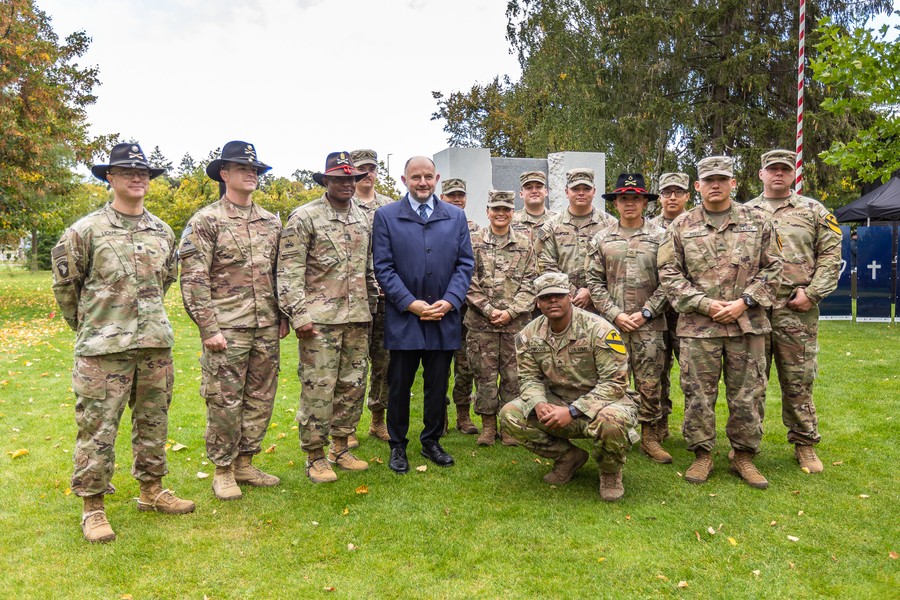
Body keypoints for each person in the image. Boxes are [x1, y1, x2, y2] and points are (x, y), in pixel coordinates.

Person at [51, 143, 194, 543]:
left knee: (154, 423)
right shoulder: (85, 230)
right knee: (97, 429)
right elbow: (67, 287)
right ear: (109, 178)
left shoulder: (162, 231)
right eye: (128, 172)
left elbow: (166, 279)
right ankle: (93, 507)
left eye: (144, 173)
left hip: (154, 344)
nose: (137, 178)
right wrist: (93, 327)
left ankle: (152, 491)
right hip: (102, 350)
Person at [658, 156, 783, 489]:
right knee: (698, 394)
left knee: (749, 394)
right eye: (709, 180)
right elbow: (669, 275)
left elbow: (775, 269)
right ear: (697, 186)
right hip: (700, 327)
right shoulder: (680, 226)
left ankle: (743, 456)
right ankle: (702, 454)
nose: (716, 185)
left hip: (748, 324)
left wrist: (744, 302)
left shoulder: (759, 221)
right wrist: (706, 304)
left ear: (734, 183)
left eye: (722, 179)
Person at [179, 140, 287, 501]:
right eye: (243, 168)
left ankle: (245, 461)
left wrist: (283, 315)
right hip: (227, 328)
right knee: (224, 402)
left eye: (255, 169)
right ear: (224, 174)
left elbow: (281, 273)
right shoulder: (206, 221)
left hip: (266, 326)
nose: (251, 174)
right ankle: (223, 469)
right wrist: (208, 328)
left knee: (261, 397)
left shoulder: (271, 222)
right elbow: (194, 279)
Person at [277, 151, 378, 483]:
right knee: (319, 389)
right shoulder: (305, 217)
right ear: (326, 181)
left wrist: (374, 306)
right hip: (319, 321)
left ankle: (340, 446)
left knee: (352, 386)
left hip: (358, 316)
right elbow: (288, 272)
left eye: (351, 178)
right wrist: (299, 314)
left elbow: (368, 269)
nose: (347, 184)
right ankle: (315, 456)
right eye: (339, 179)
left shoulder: (363, 218)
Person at [372, 156, 475, 474]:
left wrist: (451, 300)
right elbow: (383, 267)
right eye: (415, 177)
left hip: (444, 316)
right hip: (405, 318)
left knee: (436, 385)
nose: (422, 182)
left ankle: (431, 441)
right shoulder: (386, 216)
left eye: (428, 176)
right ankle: (398, 446)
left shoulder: (455, 217)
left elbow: (465, 264)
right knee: (400, 385)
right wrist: (409, 302)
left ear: (437, 178)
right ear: (404, 180)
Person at [499, 273, 639, 502]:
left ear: (570, 298)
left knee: (611, 422)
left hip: (606, 402)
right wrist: (539, 403)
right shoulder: (528, 335)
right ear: (538, 303)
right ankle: (568, 457)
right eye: (546, 297)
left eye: (559, 296)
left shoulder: (600, 329)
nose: (552, 301)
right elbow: (528, 378)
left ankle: (610, 471)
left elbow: (616, 382)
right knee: (510, 415)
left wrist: (573, 411)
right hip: (558, 400)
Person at [746, 149, 842, 473]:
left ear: (793, 174)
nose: (778, 174)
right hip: (754, 309)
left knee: (798, 379)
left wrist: (813, 294)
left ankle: (804, 444)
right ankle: (746, 447)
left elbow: (830, 256)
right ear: (760, 174)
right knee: (751, 380)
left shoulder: (814, 211)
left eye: (784, 170)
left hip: (795, 307)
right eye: (772, 169)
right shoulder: (744, 212)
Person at [587, 174, 671, 463]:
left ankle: (650, 436)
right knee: (612, 379)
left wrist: (647, 311)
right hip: (612, 326)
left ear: (645, 202)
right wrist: (615, 314)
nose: (630, 203)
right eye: (624, 198)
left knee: (650, 383)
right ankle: (612, 430)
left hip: (650, 324)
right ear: (616, 204)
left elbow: (670, 280)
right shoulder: (602, 238)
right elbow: (594, 282)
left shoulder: (661, 236)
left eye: (636, 198)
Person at [466, 190, 536, 446]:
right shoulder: (474, 242)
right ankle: (487, 426)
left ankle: (508, 426)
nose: (501, 213)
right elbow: (467, 280)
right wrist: (488, 309)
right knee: (484, 376)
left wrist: (511, 311)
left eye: (506, 209)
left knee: (513, 376)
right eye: (496, 209)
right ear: (487, 211)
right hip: (481, 324)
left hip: (515, 324)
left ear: (512, 212)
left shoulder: (526, 244)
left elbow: (531, 282)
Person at [350, 149, 394, 444]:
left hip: (384, 296)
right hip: (352, 298)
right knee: (352, 365)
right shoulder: (342, 203)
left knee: (384, 362)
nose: (368, 173)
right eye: (361, 168)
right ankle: (347, 427)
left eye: (372, 167)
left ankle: (378, 420)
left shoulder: (389, 206)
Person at [537, 168, 615, 313]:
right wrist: (572, 292)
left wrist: (591, 292)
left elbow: (615, 266)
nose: (581, 193)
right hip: (563, 302)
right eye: (575, 189)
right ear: (567, 192)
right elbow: (546, 264)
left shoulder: (610, 224)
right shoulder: (552, 226)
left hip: (602, 304)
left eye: (586, 188)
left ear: (594, 191)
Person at [649, 172, 691, 441]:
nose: (672, 197)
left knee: (691, 372)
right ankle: (659, 422)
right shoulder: (649, 227)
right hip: (656, 311)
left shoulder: (695, 223)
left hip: (686, 312)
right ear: (660, 196)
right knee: (656, 371)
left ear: (688, 195)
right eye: (667, 192)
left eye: (678, 192)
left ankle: (694, 427)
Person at [438, 178, 480, 435]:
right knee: (439, 365)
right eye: (451, 195)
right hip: (441, 307)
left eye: (460, 195)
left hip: (467, 309)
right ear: (442, 197)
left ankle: (463, 415)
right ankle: (438, 414)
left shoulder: (476, 229)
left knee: (465, 366)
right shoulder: (434, 224)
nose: (456, 199)